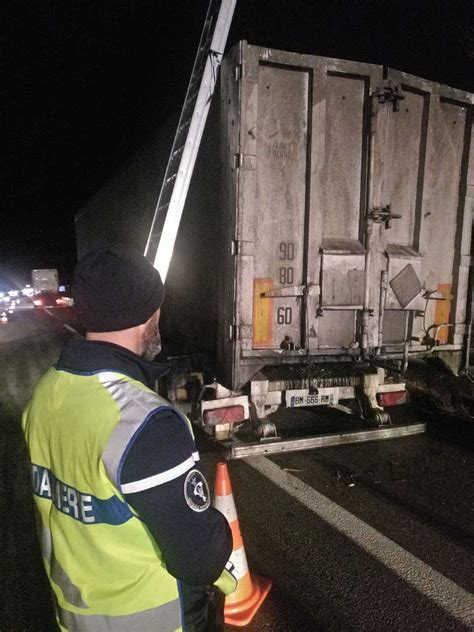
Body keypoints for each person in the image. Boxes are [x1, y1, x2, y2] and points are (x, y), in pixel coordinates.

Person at [22, 245, 236, 632]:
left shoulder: (45, 395)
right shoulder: (145, 422)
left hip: (75, 617)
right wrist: (221, 528)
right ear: (149, 315)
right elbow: (198, 558)